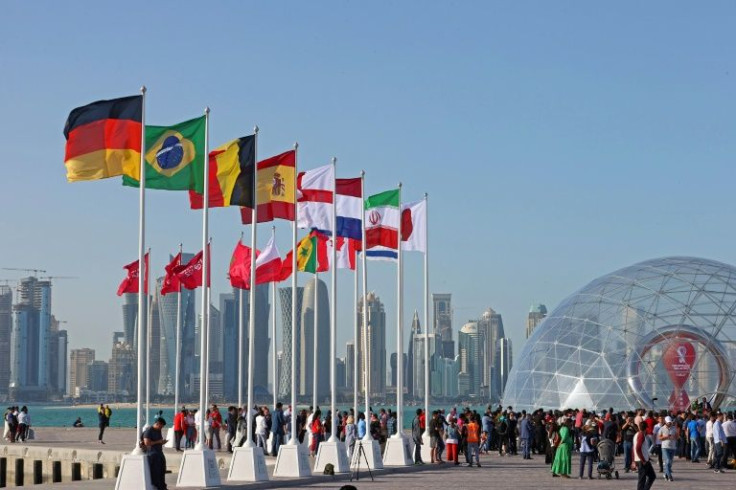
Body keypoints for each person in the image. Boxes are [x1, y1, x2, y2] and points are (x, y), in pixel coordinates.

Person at [142, 417, 168, 490]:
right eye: (161, 426)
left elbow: (158, 440)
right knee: (156, 471)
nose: (161, 428)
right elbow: (147, 442)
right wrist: (159, 442)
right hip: (152, 454)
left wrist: (162, 442)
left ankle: (163, 486)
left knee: (162, 470)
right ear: (157, 424)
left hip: (159, 452)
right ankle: (158, 486)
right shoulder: (149, 430)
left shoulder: (158, 430)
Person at [634, 421, 656, 490]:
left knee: (652, 476)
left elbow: (634, 449)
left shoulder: (637, 434)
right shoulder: (641, 435)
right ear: (646, 428)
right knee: (642, 480)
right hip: (642, 461)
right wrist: (643, 460)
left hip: (644, 459)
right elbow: (637, 448)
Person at [658, 415, 677, 481]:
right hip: (665, 447)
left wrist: (675, 437)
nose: (669, 423)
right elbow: (659, 438)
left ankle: (666, 473)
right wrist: (666, 437)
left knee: (670, 462)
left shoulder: (674, 428)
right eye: (668, 422)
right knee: (668, 461)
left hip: (673, 447)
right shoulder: (662, 428)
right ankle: (669, 476)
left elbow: (677, 436)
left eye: (670, 422)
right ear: (665, 422)